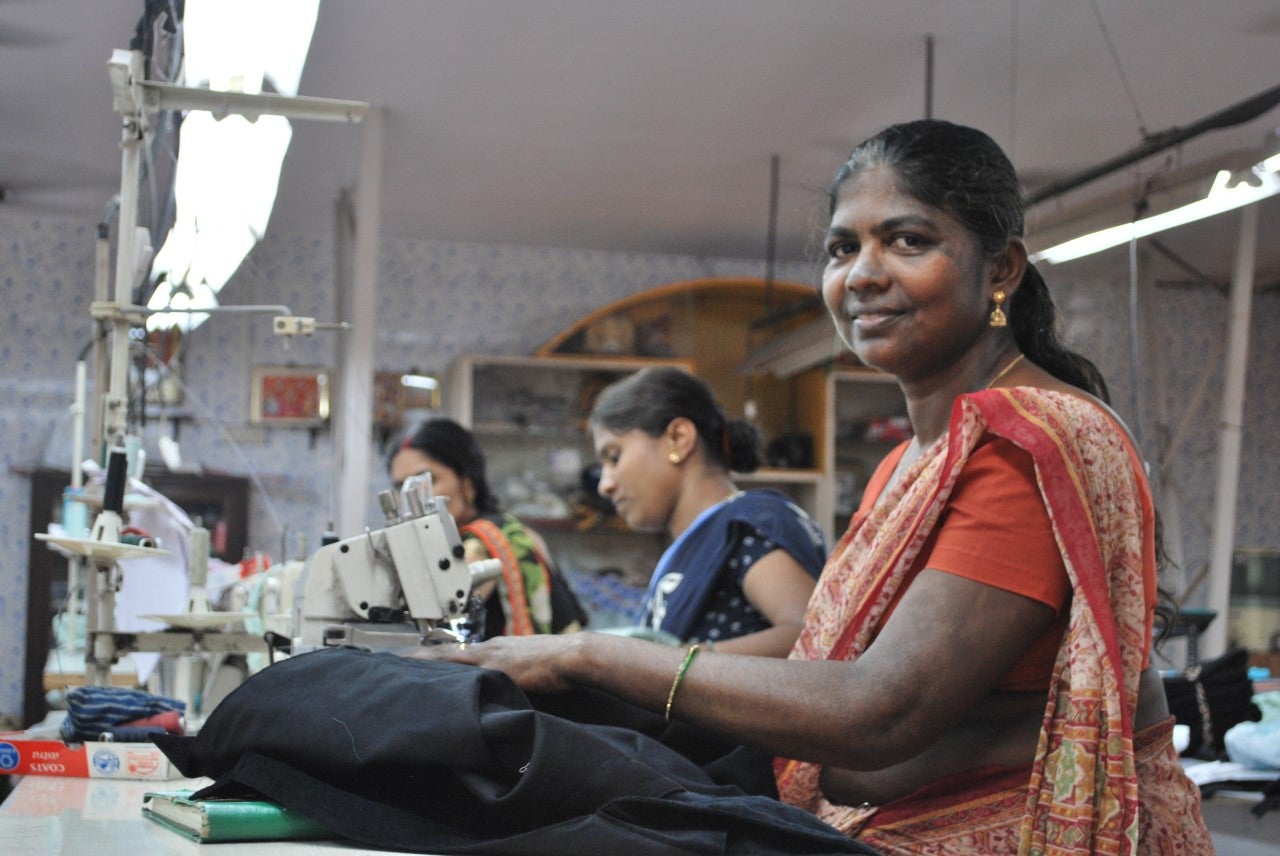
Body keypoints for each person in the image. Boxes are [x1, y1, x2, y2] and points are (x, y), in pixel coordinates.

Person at [405, 120, 1212, 853]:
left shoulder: (1023, 443)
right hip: (875, 820)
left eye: (906, 240)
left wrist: (590, 656)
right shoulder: (907, 465)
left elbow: (880, 707)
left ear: (998, 268)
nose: (862, 275)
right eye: (840, 248)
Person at [589, 365, 828, 656]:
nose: (605, 484)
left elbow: (809, 637)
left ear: (678, 438)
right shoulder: (696, 542)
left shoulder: (746, 525)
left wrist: (667, 665)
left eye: (614, 457)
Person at [389, 418, 587, 638]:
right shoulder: (516, 531)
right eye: (400, 486)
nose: (411, 496)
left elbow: (436, 633)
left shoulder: (478, 547)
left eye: (426, 481)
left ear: (466, 481)